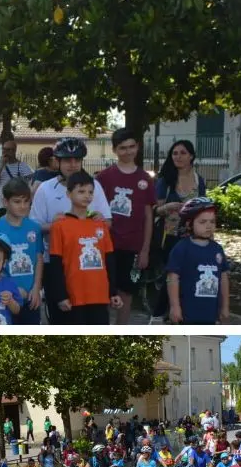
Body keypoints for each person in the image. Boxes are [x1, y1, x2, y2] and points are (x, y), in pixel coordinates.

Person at [96, 129, 155, 324]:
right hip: (106, 245)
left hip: (133, 246)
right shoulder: (104, 177)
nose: (128, 151)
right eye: (122, 148)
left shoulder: (145, 179)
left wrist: (145, 249)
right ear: (114, 150)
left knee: (126, 293)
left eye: (131, 146)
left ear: (137, 147)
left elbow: (148, 216)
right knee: (103, 291)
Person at [46, 171, 118, 325]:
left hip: (99, 295)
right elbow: (56, 264)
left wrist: (113, 292)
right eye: (81, 191)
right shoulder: (60, 226)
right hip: (74, 296)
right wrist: (60, 295)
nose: (87, 195)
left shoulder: (100, 224)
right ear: (69, 194)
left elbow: (109, 260)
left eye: (90, 192)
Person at [152, 140, 206, 316]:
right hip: (170, 236)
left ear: (191, 156)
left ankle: (181, 315)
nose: (178, 157)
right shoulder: (165, 181)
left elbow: (204, 209)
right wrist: (168, 207)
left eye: (182, 153)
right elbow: (155, 210)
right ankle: (158, 315)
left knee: (189, 278)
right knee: (172, 276)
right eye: (175, 153)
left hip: (193, 237)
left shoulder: (200, 181)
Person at [0, 178, 45, 324]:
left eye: (26, 201)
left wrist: (36, 288)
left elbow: (38, 259)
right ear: (5, 202)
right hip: (6, 297)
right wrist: (11, 288)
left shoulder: (34, 228)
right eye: (17, 202)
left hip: (31, 296)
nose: (23, 206)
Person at [165, 197, 230, 324]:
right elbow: (172, 278)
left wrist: (225, 307)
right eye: (203, 222)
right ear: (189, 224)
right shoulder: (182, 248)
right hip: (187, 313)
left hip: (210, 313)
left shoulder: (217, 249)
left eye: (212, 222)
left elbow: (223, 278)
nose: (209, 226)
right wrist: (174, 306)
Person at [0, 138, 33, 213]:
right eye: (3, 149)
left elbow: (30, 186)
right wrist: (2, 165)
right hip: (3, 206)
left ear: (14, 151)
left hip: (18, 206)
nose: (5, 152)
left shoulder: (22, 166)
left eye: (8, 150)